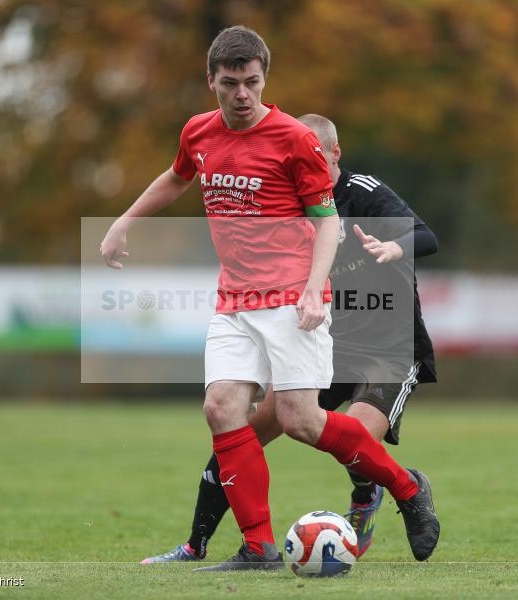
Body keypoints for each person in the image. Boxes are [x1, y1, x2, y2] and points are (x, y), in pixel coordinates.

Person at [100, 26, 438, 571]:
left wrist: (311, 291)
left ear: (264, 80)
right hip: (234, 299)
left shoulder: (294, 140)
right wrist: (123, 223)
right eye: (230, 83)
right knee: (221, 409)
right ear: (211, 80)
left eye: (252, 83)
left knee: (303, 421)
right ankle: (257, 547)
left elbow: (327, 225)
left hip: (288, 299)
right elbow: (176, 176)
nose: (242, 94)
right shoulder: (198, 132)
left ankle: (405, 487)